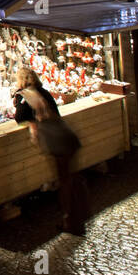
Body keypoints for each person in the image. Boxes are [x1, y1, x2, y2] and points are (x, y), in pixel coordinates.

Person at [13, 67, 87, 235]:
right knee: (68, 178)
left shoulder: (25, 95)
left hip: (56, 140)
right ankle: (75, 219)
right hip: (66, 135)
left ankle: (71, 221)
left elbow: (19, 117)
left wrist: (30, 121)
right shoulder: (44, 92)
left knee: (65, 181)